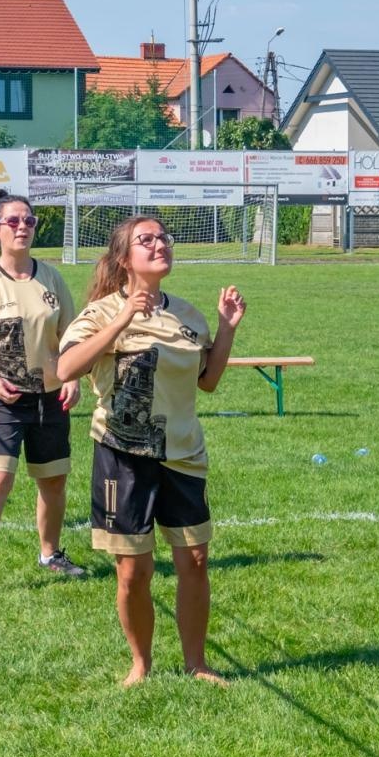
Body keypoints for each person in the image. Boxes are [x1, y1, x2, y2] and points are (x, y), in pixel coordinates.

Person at [56, 217, 246, 687]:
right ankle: (140, 664)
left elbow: (209, 382)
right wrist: (122, 320)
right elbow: (65, 367)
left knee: (195, 561)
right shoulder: (102, 312)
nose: (159, 244)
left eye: (163, 237)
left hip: (183, 456)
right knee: (134, 571)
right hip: (122, 455)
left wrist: (225, 330)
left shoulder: (188, 315)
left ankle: (196, 663)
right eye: (147, 240)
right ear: (125, 259)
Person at [0, 191, 84, 593]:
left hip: (50, 396)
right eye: (13, 221)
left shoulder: (51, 278)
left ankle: (50, 554)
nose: (23, 227)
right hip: (0, 399)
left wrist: (73, 376)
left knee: (53, 480)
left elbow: (72, 336)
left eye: (29, 220)